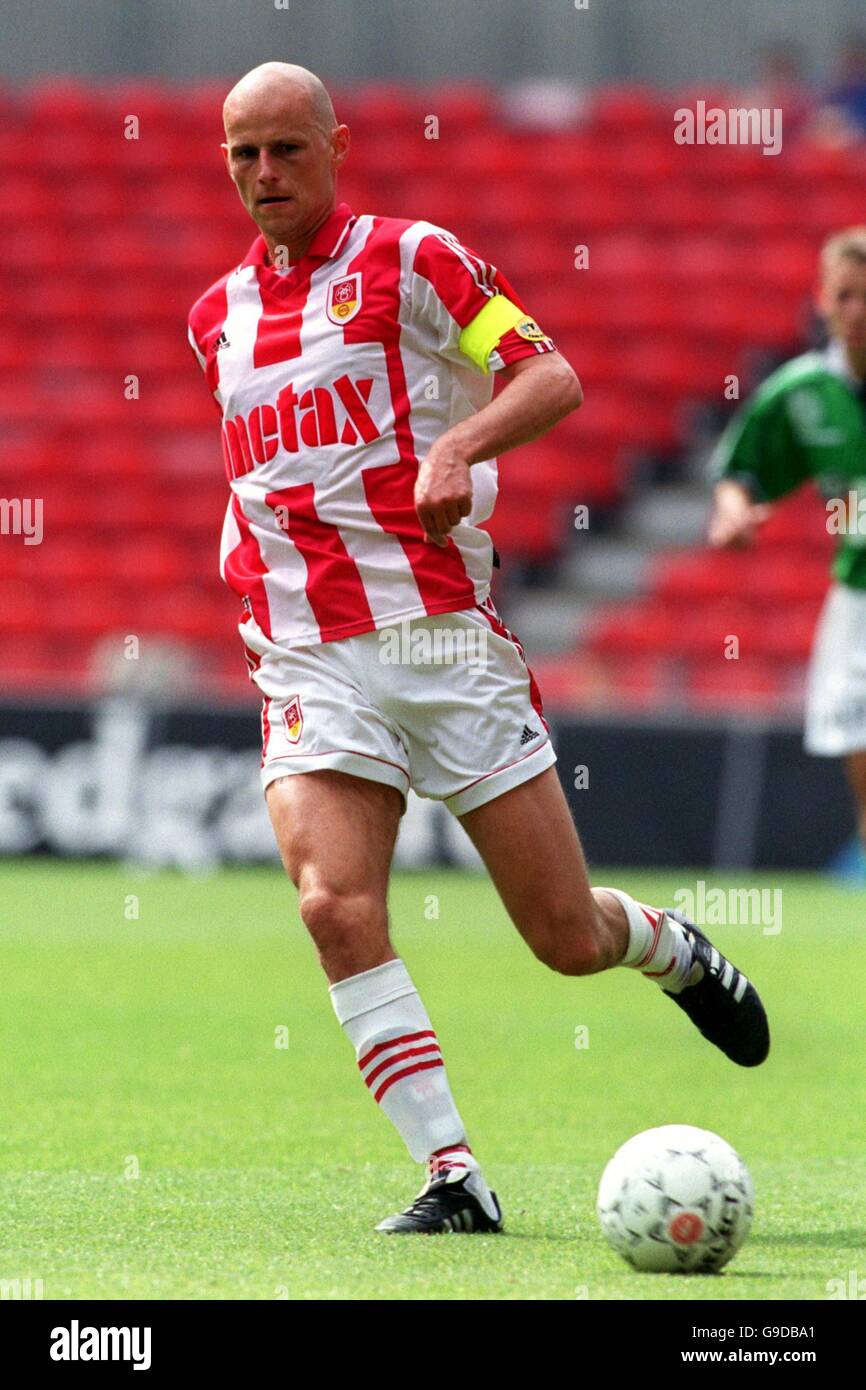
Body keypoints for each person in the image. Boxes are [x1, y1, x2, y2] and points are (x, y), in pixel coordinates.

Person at [189, 62, 769, 1236]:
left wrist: (460, 449)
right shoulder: (215, 319)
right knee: (331, 905)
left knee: (563, 939)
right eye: (242, 154)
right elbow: (264, 472)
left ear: (336, 145)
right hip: (310, 656)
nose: (264, 175)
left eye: (286, 150)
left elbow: (546, 374)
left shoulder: (416, 260)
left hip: (444, 644)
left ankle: (663, 946)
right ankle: (454, 1176)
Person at [709, 227, 866, 847]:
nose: (856, 312)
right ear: (822, 300)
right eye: (845, 296)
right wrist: (732, 513)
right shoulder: (802, 394)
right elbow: (739, 472)